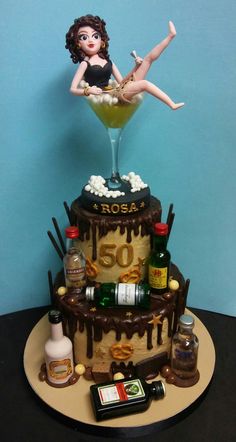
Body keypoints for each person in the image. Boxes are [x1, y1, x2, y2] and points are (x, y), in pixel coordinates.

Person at [65, 14, 184, 110]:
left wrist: (136, 67)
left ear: (102, 40)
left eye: (95, 36)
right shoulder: (85, 64)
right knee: (145, 84)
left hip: (117, 91)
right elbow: (73, 89)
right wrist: (87, 90)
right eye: (84, 37)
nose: (91, 40)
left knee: (147, 60)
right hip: (108, 98)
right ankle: (171, 104)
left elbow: (122, 82)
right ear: (78, 43)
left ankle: (170, 36)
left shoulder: (108, 61)